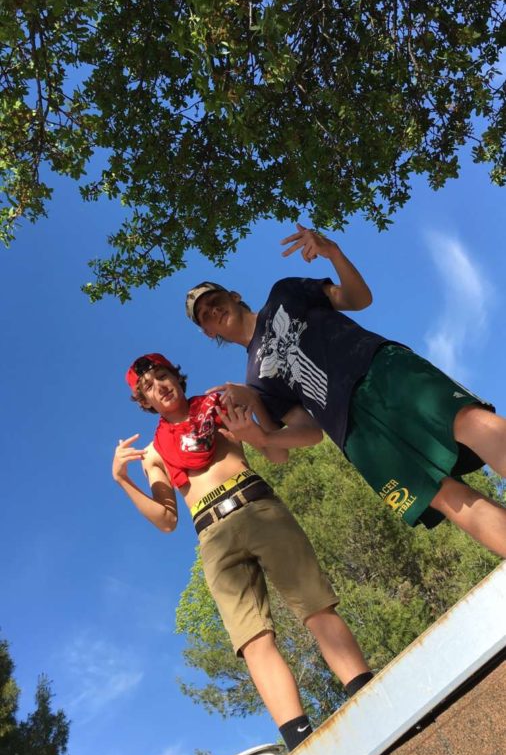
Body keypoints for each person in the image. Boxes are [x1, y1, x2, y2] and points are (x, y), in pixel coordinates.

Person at [185, 224, 506, 558]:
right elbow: (308, 433)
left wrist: (334, 254)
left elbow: (358, 299)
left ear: (233, 296)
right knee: (437, 494)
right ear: (208, 332)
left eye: (215, 300)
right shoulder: (254, 379)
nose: (212, 311)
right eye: (204, 315)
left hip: (378, 369)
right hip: (353, 432)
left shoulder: (284, 293)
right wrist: (260, 432)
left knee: (469, 423)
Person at [112, 352, 373, 751]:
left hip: (256, 506)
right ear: (144, 402)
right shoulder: (154, 453)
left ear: (177, 378)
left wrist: (253, 421)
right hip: (212, 536)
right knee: (252, 639)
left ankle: (369, 696)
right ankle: (301, 741)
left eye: (162, 376)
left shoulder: (222, 403)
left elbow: (277, 453)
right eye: (147, 387)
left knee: (315, 606)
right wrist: (123, 481)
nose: (159, 387)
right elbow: (166, 520)